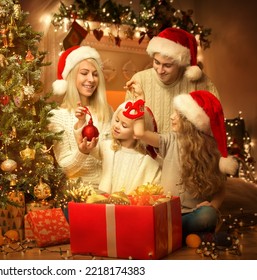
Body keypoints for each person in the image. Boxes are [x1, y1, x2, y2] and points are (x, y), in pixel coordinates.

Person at [132, 88, 238, 241]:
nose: (171, 117)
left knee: (208, 216)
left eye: (178, 115)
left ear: (190, 122)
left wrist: (213, 206)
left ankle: (172, 233)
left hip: (194, 214)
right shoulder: (170, 140)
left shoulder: (211, 151)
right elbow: (139, 133)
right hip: (167, 212)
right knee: (147, 217)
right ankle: (187, 234)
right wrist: (139, 102)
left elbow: (221, 189)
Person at [125, 27, 220, 134]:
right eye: (156, 62)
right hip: (145, 149)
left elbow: (214, 128)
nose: (160, 70)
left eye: (167, 65)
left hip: (186, 149)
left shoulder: (201, 83)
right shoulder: (139, 80)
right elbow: (127, 125)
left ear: (181, 63)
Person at [48, 45, 113, 187]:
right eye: (84, 73)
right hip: (77, 194)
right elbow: (65, 168)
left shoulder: (107, 111)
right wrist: (82, 152)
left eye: (95, 74)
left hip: (109, 189)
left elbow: (113, 155)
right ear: (71, 77)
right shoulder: (57, 116)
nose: (91, 79)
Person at [77, 101, 161, 194]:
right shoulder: (107, 147)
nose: (117, 126)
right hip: (105, 204)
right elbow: (88, 146)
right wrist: (81, 122)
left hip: (130, 207)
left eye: (124, 125)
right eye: (117, 120)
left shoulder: (145, 162)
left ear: (136, 134)